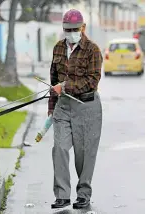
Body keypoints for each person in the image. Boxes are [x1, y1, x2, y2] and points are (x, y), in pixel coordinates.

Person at [48, 9, 103, 209]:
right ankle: (62, 195)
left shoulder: (92, 50)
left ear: (83, 28)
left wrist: (65, 86)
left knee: (84, 154)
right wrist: (51, 107)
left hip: (87, 106)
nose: (70, 32)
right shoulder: (58, 48)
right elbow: (53, 80)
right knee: (59, 148)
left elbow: (93, 80)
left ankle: (83, 194)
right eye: (67, 29)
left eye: (74, 29)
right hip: (63, 106)